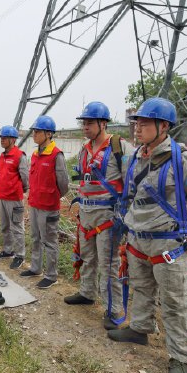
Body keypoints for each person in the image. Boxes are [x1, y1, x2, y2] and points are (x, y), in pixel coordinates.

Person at [107, 97, 187, 373]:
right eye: (137, 122)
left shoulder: (185, 161)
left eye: (145, 123)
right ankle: (140, 328)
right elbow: (131, 195)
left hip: (169, 245)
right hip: (138, 240)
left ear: (164, 126)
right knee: (141, 287)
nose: (138, 128)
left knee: (175, 302)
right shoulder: (135, 158)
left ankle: (180, 357)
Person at [64, 102, 133, 330]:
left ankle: (113, 310)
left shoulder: (119, 147)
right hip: (86, 214)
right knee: (87, 257)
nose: (85, 126)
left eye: (90, 123)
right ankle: (87, 292)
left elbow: (132, 181)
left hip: (107, 216)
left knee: (108, 264)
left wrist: (126, 214)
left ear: (103, 123)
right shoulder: (85, 150)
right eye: (83, 123)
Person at [20, 116, 70, 289]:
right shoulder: (35, 154)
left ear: (48, 134)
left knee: (49, 241)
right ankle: (36, 268)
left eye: (38, 131)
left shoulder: (56, 155)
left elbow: (64, 184)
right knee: (35, 237)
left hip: (48, 207)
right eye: (34, 131)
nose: (34, 134)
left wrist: (52, 196)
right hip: (35, 204)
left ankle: (51, 275)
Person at [0, 126, 29, 269]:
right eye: (1, 138)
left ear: (13, 140)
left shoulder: (20, 156)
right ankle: (8, 250)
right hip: (2, 197)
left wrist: (22, 189)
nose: (2, 140)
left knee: (17, 227)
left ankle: (20, 255)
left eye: (5, 138)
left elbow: (25, 177)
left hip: (14, 199)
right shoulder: (2, 156)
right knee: (5, 226)